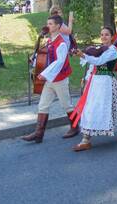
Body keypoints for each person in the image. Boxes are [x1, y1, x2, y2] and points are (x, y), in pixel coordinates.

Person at [70, 27, 117, 151]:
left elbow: (99, 61)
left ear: (112, 36)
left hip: (107, 82)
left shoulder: (112, 51)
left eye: (107, 35)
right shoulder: (98, 49)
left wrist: (84, 55)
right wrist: (86, 78)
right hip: (95, 82)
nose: (103, 37)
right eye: (102, 34)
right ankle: (86, 139)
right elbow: (92, 66)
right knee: (90, 108)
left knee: (114, 107)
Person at [22, 15, 78, 143]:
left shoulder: (61, 43)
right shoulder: (49, 41)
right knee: (43, 105)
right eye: (48, 23)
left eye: (51, 24)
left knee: (66, 105)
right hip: (49, 80)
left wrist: (44, 74)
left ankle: (75, 127)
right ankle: (39, 133)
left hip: (60, 79)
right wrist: (34, 59)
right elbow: (45, 56)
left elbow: (59, 62)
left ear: (58, 26)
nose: (48, 26)